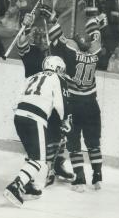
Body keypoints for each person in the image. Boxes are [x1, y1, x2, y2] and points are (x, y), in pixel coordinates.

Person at [40, 3, 107, 192]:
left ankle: (79, 179)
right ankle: (97, 178)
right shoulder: (95, 50)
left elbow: (57, 37)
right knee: (93, 142)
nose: (78, 36)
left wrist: (52, 18)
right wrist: (92, 15)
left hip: (74, 103)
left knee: (74, 142)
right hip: (91, 104)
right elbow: (95, 32)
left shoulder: (71, 50)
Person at [3, 55, 72, 207]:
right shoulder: (57, 79)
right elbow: (60, 103)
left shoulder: (32, 76)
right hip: (36, 118)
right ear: (58, 68)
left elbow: (16, 100)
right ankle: (16, 186)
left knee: (31, 155)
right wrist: (65, 120)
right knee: (38, 160)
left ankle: (30, 186)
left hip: (19, 116)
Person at [16, 13, 74, 186]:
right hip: (38, 102)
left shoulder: (54, 53)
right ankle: (43, 171)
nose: (41, 38)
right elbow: (20, 44)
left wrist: (54, 19)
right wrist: (25, 26)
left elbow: (65, 45)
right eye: (37, 35)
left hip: (54, 100)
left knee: (60, 135)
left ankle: (57, 163)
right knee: (41, 139)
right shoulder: (31, 52)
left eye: (44, 35)